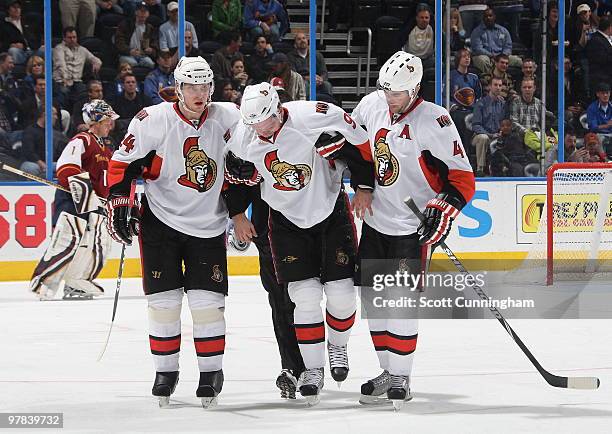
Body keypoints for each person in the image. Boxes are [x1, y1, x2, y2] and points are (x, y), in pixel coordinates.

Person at [106, 56, 242, 408]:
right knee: (163, 305)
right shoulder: (154, 120)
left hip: (209, 226)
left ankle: (211, 373)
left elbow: (252, 152)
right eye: (191, 87)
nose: (199, 94)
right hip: (160, 224)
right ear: (177, 89)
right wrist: (120, 203)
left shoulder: (227, 115)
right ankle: (165, 372)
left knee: (207, 306)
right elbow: (121, 164)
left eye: (204, 86)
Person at [228, 81, 374, 405]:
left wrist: (363, 182)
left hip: (329, 212)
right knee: (303, 297)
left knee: (342, 295)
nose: (257, 130)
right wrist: (237, 210)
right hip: (285, 221)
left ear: (277, 111)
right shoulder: (243, 134)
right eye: (251, 123)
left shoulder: (314, 115)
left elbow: (361, 141)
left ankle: (337, 345)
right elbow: (234, 175)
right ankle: (312, 369)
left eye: (262, 123)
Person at [350, 51, 474, 408]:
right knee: (373, 302)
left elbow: (462, 179)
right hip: (375, 222)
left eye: (398, 93)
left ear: (415, 89)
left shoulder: (435, 120)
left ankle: (402, 375)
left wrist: (442, 210)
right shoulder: (371, 105)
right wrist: (362, 185)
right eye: (386, 89)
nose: (390, 98)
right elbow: (359, 151)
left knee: (400, 303)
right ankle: (388, 370)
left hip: (412, 227)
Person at [31, 100, 118, 300]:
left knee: (97, 241)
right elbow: (66, 169)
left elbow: (109, 177)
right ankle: (42, 282)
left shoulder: (105, 147)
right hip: (73, 199)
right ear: (95, 120)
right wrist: (85, 192)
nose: (110, 124)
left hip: (94, 202)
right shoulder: (82, 140)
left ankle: (77, 281)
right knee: (66, 240)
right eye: (106, 120)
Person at [52, 26, 102, 108]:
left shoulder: (82, 50)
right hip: (61, 80)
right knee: (63, 92)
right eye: (69, 37)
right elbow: (61, 65)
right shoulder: (58, 49)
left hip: (77, 81)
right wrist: (66, 79)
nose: (72, 39)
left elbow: (95, 59)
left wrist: (97, 63)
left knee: (86, 93)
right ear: (64, 38)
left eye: (74, 37)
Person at [445, 48, 482, 148]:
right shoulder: (450, 75)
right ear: (458, 59)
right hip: (457, 112)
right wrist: (452, 106)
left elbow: (479, 96)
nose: (467, 59)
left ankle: (468, 153)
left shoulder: (474, 77)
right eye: (464, 56)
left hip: (471, 111)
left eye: (468, 57)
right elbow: (443, 95)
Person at [471, 76, 506, 176]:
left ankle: (503, 169)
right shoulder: (481, 103)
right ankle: (480, 169)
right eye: (495, 85)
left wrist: (501, 132)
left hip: (497, 135)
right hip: (479, 136)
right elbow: (476, 125)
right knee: (483, 138)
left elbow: (505, 122)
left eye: (500, 85)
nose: (498, 87)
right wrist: (490, 135)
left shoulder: (503, 104)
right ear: (490, 86)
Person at [470, 7, 522, 73]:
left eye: (490, 16)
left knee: (518, 61)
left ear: (494, 17)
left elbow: (508, 46)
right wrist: (491, 56)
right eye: (486, 16)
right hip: (485, 56)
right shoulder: (476, 32)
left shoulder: (503, 30)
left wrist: (502, 56)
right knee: (482, 60)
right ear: (483, 18)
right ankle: (491, 79)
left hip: (502, 56)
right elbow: (478, 49)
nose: (488, 18)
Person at [115, 2, 158, 69]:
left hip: (142, 55)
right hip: (126, 54)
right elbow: (119, 42)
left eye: (145, 11)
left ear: (148, 14)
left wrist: (151, 50)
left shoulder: (149, 28)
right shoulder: (126, 24)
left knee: (150, 64)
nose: (143, 13)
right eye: (141, 11)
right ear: (136, 12)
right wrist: (129, 51)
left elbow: (154, 44)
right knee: (133, 63)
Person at [402, 3, 435, 69]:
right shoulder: (408, 29)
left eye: (426, 18)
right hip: (412, 60)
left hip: (428, 60)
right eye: (422, 17)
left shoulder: (433, 29)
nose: (424, 20)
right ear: (417, 18)